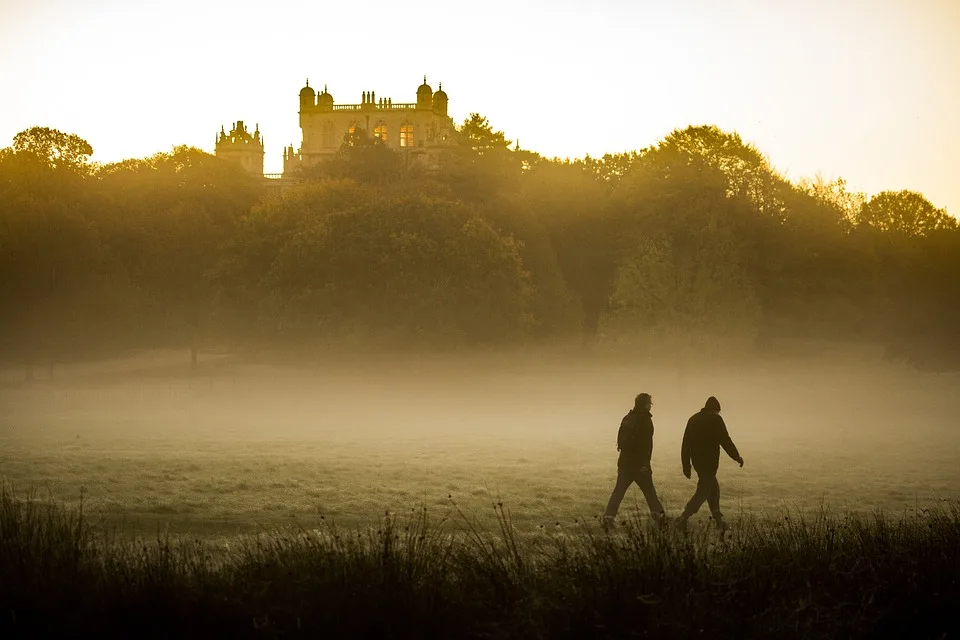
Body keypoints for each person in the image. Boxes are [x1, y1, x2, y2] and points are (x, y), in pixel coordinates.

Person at [676, 396, 743, 531]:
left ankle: (718, 520)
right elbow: (725, 440)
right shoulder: (715, 419)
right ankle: (683, 518)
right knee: (703, 492)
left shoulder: (693, 419)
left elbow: (686, 444)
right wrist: (736, 456)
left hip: (697, 462)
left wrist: (686, 466)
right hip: (710, 463)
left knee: (714, 490)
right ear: (715, 410)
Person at [603, 393, 666, 530]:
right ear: (645, 404)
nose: (651, 405)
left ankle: (608, 517)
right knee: (650, 492)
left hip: (625, 462)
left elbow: (620, 441)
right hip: (639, 465)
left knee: (618, 491)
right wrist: (645, 464)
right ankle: (660, 518)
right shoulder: (645, 421)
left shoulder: (628, 418)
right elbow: (646, 445)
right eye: (650, 403)